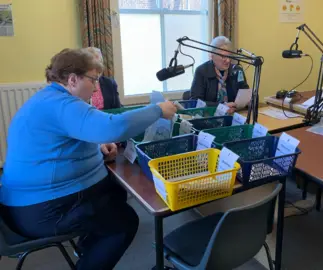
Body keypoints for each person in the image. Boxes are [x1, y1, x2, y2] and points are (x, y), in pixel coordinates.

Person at [0, 48, 177, 270]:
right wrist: (158, 110)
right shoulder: (61, 105)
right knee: (124, 222)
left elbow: (66, 139)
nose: (95, 87)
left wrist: (97, 145)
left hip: (28, 203)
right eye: (93, 80)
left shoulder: (49, 98)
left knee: (115, 192)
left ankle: (87, 247)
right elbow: (113, 126)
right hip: (41, 211)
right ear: (73, 79)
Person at [188, 36, 249, 113]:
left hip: (233, 116)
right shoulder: (201, 71)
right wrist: (221, 107)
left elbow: (246, 93)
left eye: (229, 56)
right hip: (209, 117)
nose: (228, 60)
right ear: (212, 56)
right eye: (223, 56)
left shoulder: (237, 70)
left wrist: (249, 101)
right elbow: (195, 101)